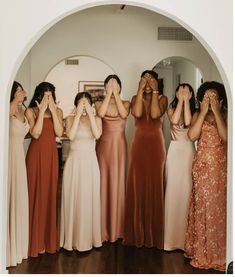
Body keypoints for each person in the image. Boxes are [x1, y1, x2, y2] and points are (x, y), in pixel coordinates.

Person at [184, 81, 227, 271]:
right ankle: (201, 251)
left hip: (220, 168)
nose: (210, 101)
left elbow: (226, 137)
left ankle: (218, 253)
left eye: (214, 97)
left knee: (218, 207)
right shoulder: (197, 114)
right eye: (207, 97)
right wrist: (203, 111)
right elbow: (192, 136)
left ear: (220, 100)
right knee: (202, 205)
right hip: (201, 167)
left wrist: (216, 111)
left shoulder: (226, 115)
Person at [123, 70, 168, 248]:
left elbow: (156, 115)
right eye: (145, 80)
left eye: (151, 81)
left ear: (156, 82)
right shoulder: (135, 98)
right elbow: (138, 113)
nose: (148, 83)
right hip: (138, 145)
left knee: (155, 184)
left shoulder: (163, 99)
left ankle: (154, 235)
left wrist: (155, 91)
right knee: (137, 184)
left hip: (156, 145)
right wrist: (140, 89)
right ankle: (137, 233)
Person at [60, 92, 102, 252]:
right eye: (80, 103)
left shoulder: (97, 119)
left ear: (91, 105)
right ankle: (71, 239)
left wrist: (90, 114)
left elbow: (97, 134)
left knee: (88, 198)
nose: (83, 106)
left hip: (90, 163)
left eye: (86, 103)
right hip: (74, 162)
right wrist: (78, 114)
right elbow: (70, 136)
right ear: (76, 104)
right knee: (73, 197)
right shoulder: (70, 119)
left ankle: (88, 239)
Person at [25, 82, 63, 257]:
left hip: (51, 157)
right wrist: (41, 112)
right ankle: (34, 241)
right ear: (39, 95)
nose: (48, 98)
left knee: (49, 194)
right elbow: (36, 133)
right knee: (34, 194)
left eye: (51, 95)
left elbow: (59, 132)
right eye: (45, 95)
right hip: (36, 155)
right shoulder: (31, 111)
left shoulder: (59, 111)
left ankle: (48, 241)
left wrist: (53, 110)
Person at [95, 75, 130, 242]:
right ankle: (102, 230)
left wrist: (115, 94)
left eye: (116, 85)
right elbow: (101, 114)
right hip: (103, 147)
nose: (113, 87)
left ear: (120, 87)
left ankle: (118, 229)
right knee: (103, 183)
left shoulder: (126, 103)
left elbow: (123, 114)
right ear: (105, 87)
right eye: (109, 85)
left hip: (119, 148)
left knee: (118, 183)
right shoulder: (98, 104)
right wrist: (108, 93)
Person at [164, 83, 196, 251]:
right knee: (172, 191)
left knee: (186, 191)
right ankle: (170, 241)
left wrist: (185, 103)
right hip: (175, 150)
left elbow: (189, 122)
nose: (183, 92)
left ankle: (185, 242)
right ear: (175, 92)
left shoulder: (195, 111)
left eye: (186, 90)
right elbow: (175, 120)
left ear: (191, 93)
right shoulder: (170, 109)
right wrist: (181, 102)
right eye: (180, 89)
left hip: (189, 151)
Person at [7, 81, 29, 267]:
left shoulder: (23, 110)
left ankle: (19, 246)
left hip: (19, 156)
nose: (23, 92)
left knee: (19, 197)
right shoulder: (8, 108)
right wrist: (14, 100)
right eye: (19, 90)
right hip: (8, 156)